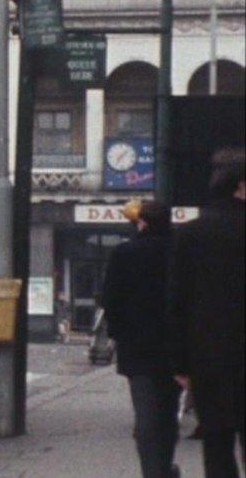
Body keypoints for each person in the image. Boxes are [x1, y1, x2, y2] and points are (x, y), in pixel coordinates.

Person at [168, 148, 245, 478]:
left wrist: (180, 363)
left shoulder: (191, 234)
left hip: (210, 357)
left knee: (216, 443)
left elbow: (176, 302)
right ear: (241, 186)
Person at [103, 200, 181, 478]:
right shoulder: (178, 251)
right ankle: (165, 465)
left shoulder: (125, 253)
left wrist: (118, 334)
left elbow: (110, 299)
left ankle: (152, 471)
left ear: (142, 222)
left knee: (146, 415)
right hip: (174, 348)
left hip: (137, 348)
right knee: (169, 413)